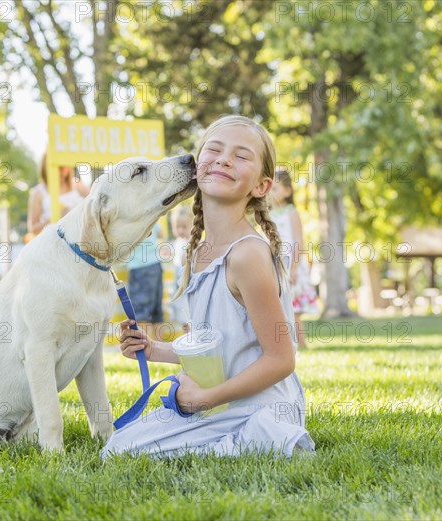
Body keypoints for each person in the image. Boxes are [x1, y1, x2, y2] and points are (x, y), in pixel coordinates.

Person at [102, 115, 315, 459]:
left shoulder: (247, 255)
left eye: (241, 156)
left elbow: (280, 360)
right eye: (213, 150)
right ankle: (244, 441)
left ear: (261, 186)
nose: (224, 159)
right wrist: (154, 349)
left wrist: (204, 399)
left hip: (263, 403)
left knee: (124, 452)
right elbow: (215, 350)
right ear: (197, 167)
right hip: (222, 399)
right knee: (118, 447)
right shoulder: (196, 253)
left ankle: (270, 436)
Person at [268, 169, 318, 349]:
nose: (270, 193)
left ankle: (302, 343)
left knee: (294, 308)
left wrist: (295, 267)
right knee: (279, 307)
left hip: (292, 265)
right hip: (276, 265)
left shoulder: (291, 212)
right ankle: (284, 344)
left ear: (287, 191)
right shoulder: (267, 215)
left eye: (275, 189)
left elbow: (298, 240)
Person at [26, 153, 90, 238]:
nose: (63, 171)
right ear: (47, 166)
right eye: (59, 167)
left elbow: (94, 202)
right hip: (54, 241)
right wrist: (57, 217)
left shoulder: (77, 184)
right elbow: (33, 229)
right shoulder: (38, 193)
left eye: (65, 166)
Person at [126, 222, 165, 341]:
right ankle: (160, 348)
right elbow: (160, 233)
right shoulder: (151, 214)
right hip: (155, 264)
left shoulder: (129, 218)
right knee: (156, 311)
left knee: (141, 311)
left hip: (139, 266)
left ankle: (143, 347)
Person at [167, 205, 193, 329]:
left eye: (184, 227)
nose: (180, 230)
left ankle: (190, 341)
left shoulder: (192, 243)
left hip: (187, 286)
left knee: (189, 318)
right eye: (178, 227)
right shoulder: (178, 242)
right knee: (182, 319)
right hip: (178, 286)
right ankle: (185, 342)